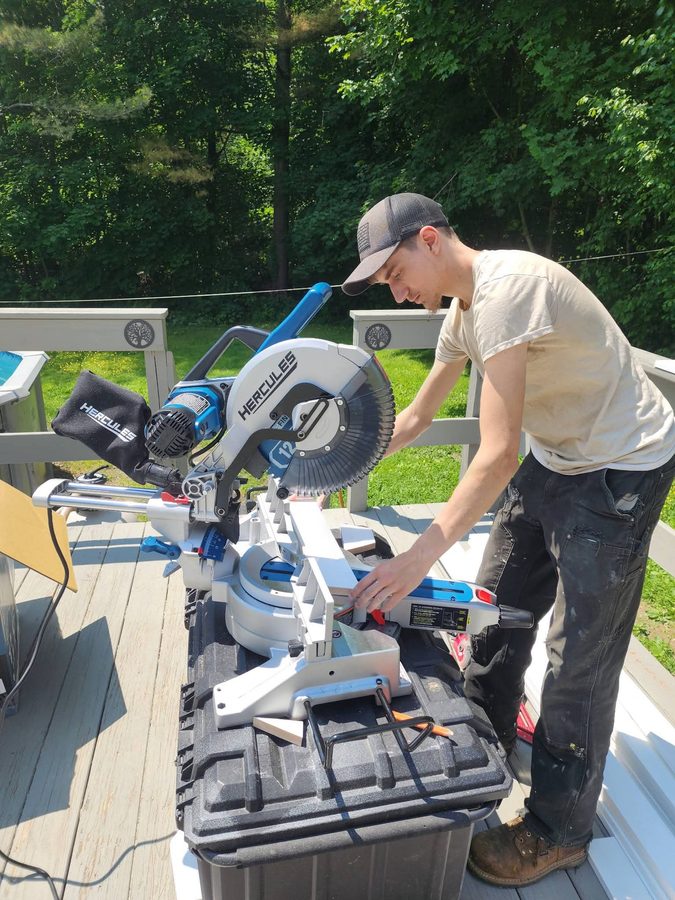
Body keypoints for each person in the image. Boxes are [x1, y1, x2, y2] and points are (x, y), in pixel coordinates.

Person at [341, 192, 675, 887]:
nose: (396, 293)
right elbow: (420, 413)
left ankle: (559, 830)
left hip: (620, 465)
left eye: (395, 274)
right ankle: (482, 742)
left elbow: (493, 456)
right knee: (494, 605)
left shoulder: (508, 290)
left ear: (428, 239)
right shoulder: (462, 311)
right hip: (557, 455)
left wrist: (418, 556)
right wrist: (341, 465)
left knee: (577, 657)